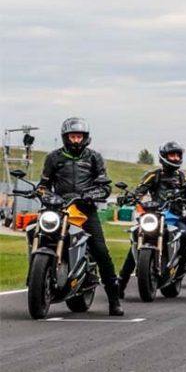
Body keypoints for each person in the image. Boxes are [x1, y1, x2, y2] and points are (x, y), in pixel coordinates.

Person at [36, 118, 123, 316]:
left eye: (79, 137)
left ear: (85, 138)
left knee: (101, 251)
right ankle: (38, 277)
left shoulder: (94, 158)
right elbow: (43, 185)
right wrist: (46, 195)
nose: (76, 140)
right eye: (72, 137)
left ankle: (114, 300)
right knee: (38, 232)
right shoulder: (53, 158)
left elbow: (105, 187)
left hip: (85, 210)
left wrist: (89, 196)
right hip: (59, 209)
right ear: (65, 138)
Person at [118, 141, 186, 295]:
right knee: (136, 238)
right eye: (172, 155)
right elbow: (139, 190)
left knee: (185, 233)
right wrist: (129, 198)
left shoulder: (183, 178)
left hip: (174, 217)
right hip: (154, 216)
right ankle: (121, 284)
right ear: (163, 157)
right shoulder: (153, 175)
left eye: (177, 155)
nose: (175, 158)